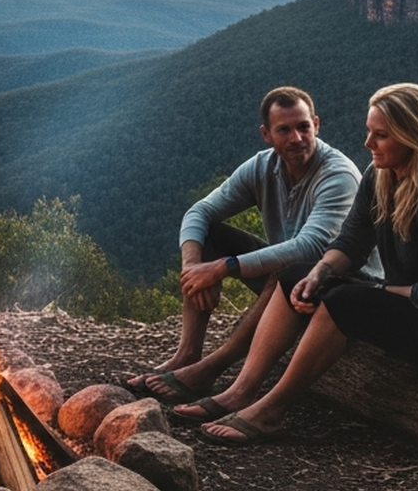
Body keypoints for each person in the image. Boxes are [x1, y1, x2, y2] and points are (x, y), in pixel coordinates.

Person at [181, 82, 418, 446]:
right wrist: (319, 274)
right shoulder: (381, 177)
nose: (368, 143)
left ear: (414, 136)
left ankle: (271, 410)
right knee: (293, 276)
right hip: (413, 305)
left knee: (343, 302)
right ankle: (241, 392)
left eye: (380, 135)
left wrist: (370, 291)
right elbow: (351, 242)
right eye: (370, 131)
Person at [124, 86, 359, 405]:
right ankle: (187, 354)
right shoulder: (263, 167)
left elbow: (312, 246)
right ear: (266, 134)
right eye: (284, 130)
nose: (296, 138)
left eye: (304, 126)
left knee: (288, 268)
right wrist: (193, 268)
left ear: (316, 124)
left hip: (341, 284)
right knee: (209, 235)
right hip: (292, 281)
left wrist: (224, 267)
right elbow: (199, 211)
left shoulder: (338, 175)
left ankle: (210, 368)